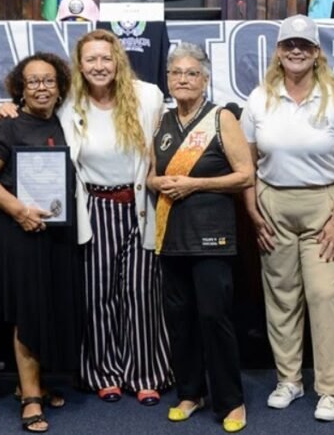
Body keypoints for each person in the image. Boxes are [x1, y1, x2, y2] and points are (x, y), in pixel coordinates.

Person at [0, 29, 172, 405]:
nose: (99, 65)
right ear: (80, 65)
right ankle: (104, 373)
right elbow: (30, 111)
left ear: (118, 61)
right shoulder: (68, 102)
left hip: (139, 205)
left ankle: (146, 373)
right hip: (93, 208)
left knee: (142, 293)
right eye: (90, 59)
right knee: (99, 293)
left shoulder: (148, 96)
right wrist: (7, 105)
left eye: (105, 58)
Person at [241, 14, 334, 421]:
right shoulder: (260, 98)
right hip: (273, 202)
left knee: (324, 295)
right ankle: (289, 380)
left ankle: (329, 388)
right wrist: (253, 211)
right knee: (281, 296)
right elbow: (248, 162)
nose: (296, 50)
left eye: (305, 45)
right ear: (278, 51)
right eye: (289, 44)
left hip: (324, 206)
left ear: (316, 53)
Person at [148, 43, 253, 432]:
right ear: (168, 80)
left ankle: (232, 400)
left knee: (214, 317)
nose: (183, 79)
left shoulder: (221, 117)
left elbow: (245, 175)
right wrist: (158, 181)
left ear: (205, 80)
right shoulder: (162, 121)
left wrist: (194, 184)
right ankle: (191, 392)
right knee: (180, 319)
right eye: (176, 73)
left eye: (191, 73)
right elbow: (149, 175)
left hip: (211, 236)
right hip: (170, 235)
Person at [0, 53, 79, 433]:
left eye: (49, 81)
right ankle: (32, 397)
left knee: (48, 308)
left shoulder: (66, 123)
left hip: (56, 233)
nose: (41, 87)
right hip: (17, 233)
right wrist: (19, 210)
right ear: (20, 88)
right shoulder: (6, 126)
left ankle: (31, 383)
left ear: (60, 87)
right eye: (33, 81)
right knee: (27, 312)